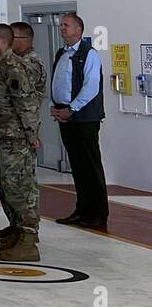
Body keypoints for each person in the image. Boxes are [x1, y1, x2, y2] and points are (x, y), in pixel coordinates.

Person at [0, 23, 41, 262]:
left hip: (15, 138)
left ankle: (28, 240)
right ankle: (18, 232)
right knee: (7, 186)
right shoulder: (1, 67)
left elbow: (25, 102)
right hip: (3, 136)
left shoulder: (13, 66)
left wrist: (31, 134)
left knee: (20, 187)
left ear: (2, 41)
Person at [50, 12, 108, 230]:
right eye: (61, 25)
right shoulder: (62, 53)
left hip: (83, 118)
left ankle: (98, 214)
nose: (62, 28)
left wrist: (72, 108)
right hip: (66, 116)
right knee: (77, 166)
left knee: (90, 166)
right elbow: (59, 81)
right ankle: (82, 210)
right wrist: (55, 106)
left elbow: (91, 87)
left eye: (66, 25)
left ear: (78, 30)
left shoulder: (88, 54)